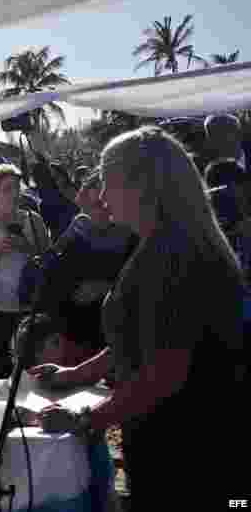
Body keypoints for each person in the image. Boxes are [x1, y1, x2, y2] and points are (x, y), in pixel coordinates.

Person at [32, 127, 245, 508]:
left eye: (107, 179)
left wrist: (85, 421)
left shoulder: (175, 255)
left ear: (143, 185)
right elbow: (135, 337)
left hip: (189, 457)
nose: (100, 194)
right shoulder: (161, 242)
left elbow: (163, 375)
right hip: (172, 444)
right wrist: (76, 375)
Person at [37, 171, 137, 354]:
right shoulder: (76, 234)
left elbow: (143, 283)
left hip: (119, 335)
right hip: (76, 333)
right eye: (97, 205)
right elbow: (50, 280)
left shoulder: (132, 235)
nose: (105, 211)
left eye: (108, 204)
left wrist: (107, 288)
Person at [0, 163, 51, 379]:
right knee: (0, 372)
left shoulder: (34, 220)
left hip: (31, 304)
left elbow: (49, 262)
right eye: (7, 188)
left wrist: (26, 248)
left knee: (33, 370)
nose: (14, 193)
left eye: (17, 187)